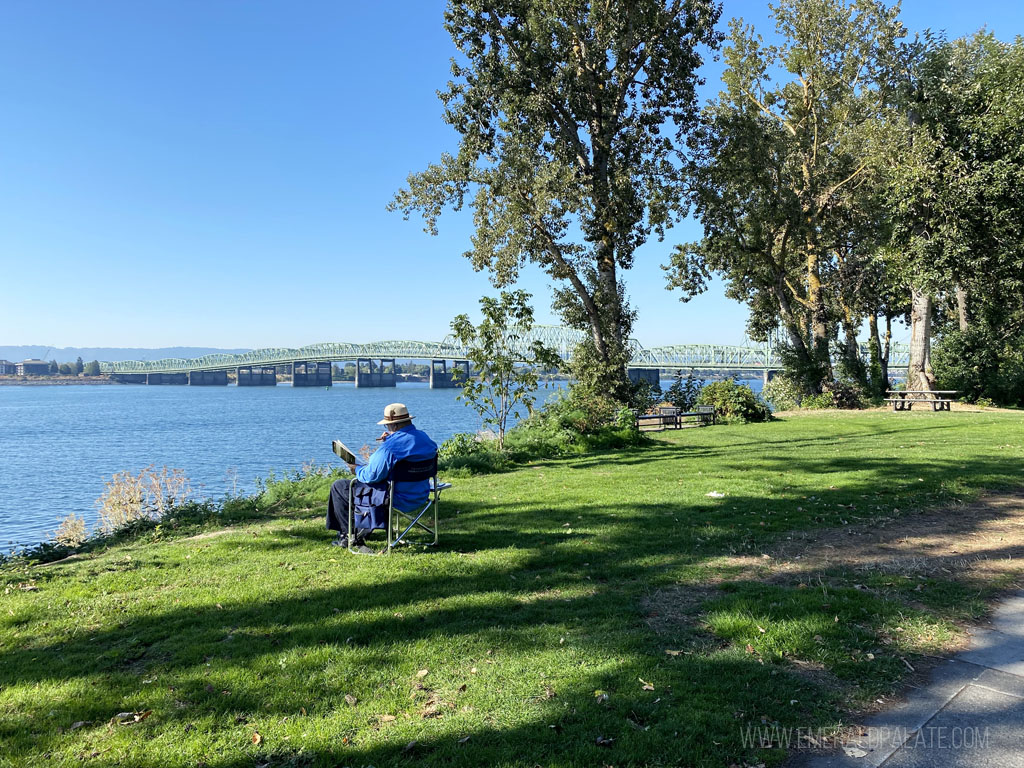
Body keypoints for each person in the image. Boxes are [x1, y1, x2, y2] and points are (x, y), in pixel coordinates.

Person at [326, 403, 438, 552]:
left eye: (387, 426)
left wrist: (357, 469)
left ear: (394, 426)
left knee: (340, 486)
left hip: (395, 498)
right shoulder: (424, 438)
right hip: (420, 495)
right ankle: (361, 530)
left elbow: (372, 476)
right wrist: (390, 440)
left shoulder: (390, 448)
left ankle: (348, 536)